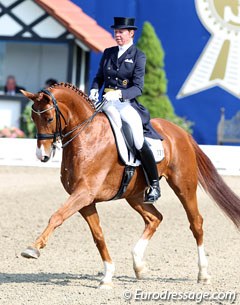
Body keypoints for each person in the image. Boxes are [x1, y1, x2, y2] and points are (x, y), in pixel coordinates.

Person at [89, 17, 161, 203]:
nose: (117, 35)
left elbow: (138, 87)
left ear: (131, 33)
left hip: (125, 104)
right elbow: (98, 77)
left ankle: (154, 184)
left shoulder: (138, 55)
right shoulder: (108, 52)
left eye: (121, 32)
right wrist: (95, 89)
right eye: (116, 32)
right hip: (105, 101)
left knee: (137, 138)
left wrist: (120, 94)